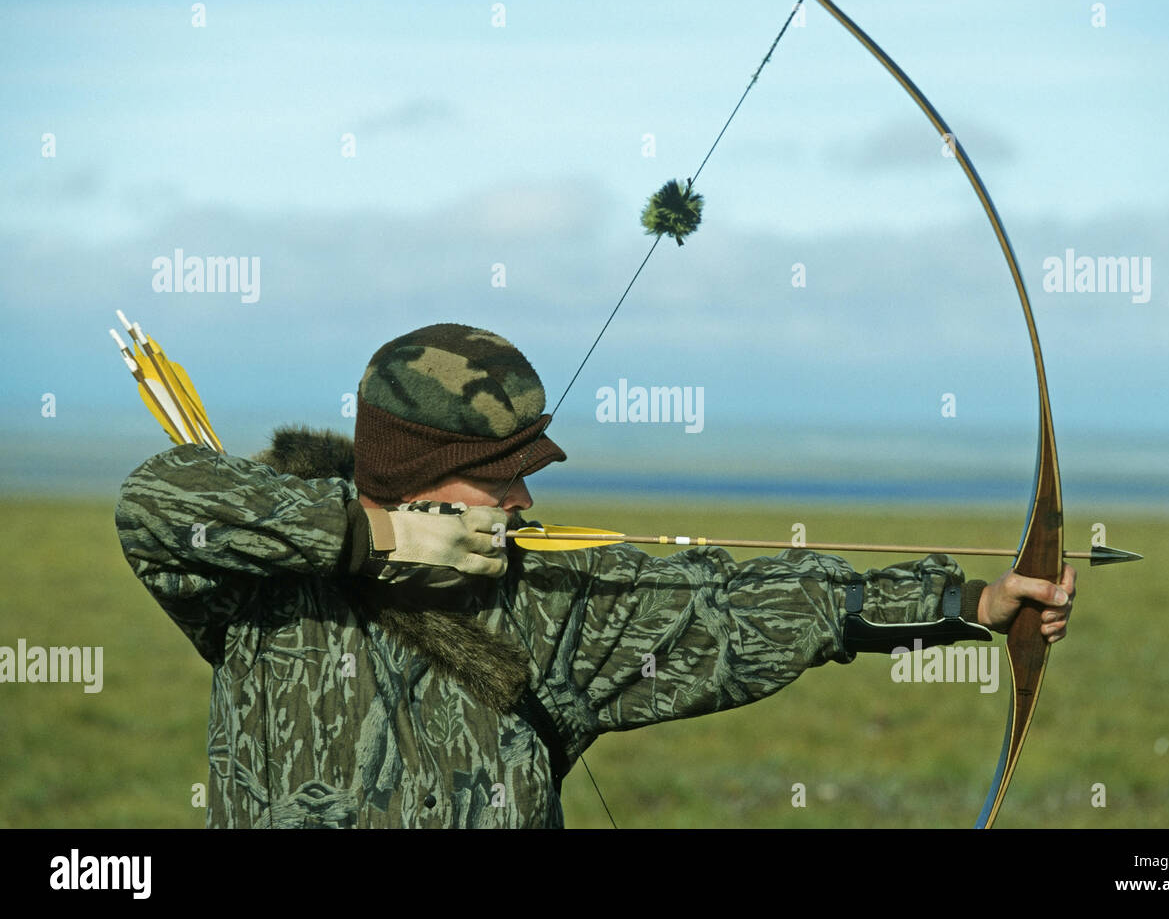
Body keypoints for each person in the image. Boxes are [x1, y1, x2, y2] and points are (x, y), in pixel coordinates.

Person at [115, 323, 1074, 828]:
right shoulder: (265, 582)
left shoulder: (553, 599)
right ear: (409, 476)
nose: (520, 504)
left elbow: (743, 609)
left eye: (521, 479)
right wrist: (380, 539)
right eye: (496, 481)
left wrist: (968, 602)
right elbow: (159, 501)